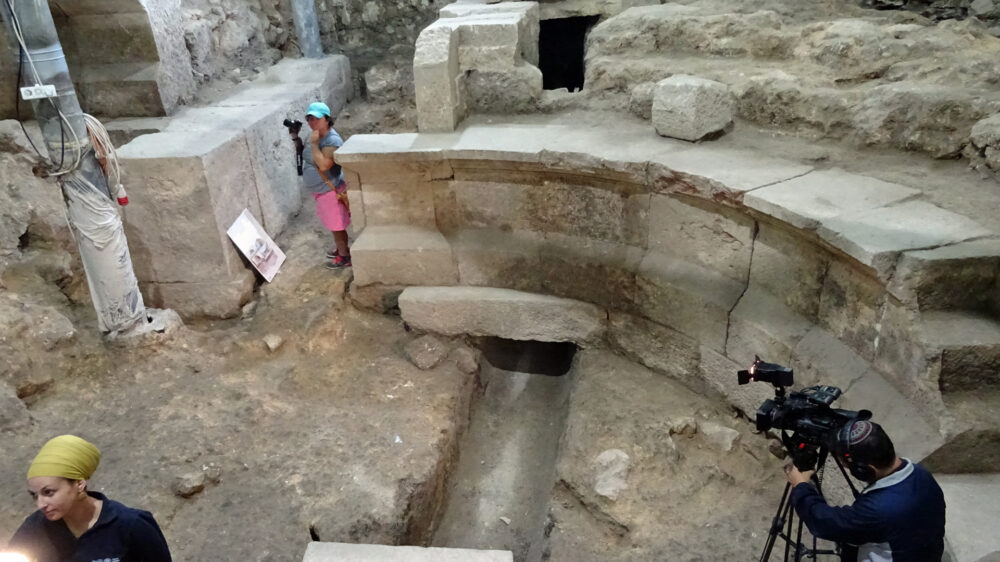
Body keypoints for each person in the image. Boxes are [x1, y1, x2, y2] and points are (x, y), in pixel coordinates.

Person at [784, 420, 946, 562]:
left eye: (846, 464)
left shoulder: (878, 509)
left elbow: (825, 523)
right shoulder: (921, 474)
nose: (845, 467)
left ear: (864, 470)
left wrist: (801, 486)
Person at [5, 435, 171, 562]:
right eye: (35, 495)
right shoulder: (36, 528)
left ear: (79, 484)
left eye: (49, 492)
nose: (40, 504)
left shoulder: (131, 525)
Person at [300, 101, 351, 269]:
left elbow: (324, 165)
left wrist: (314, 144)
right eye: (309, 119)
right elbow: (306, 157)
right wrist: (296, 137)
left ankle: (344, 256)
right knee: (332, 223)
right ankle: (340, 249)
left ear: (327, 119)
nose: (311, 122)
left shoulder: (332, 140)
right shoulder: (316, 135)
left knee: (336, 225)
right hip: (321, 190)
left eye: (316, 119)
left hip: (330, 189)